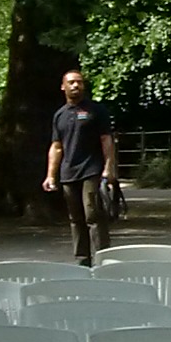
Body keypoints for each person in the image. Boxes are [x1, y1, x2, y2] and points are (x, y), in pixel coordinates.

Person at [42, 68, 118, 265]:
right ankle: (82, 261)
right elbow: (57, 146)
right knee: (75, 219)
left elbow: (106, 140)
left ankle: (103, 259)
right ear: (63, 87)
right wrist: (51, 175)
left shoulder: (96, 110)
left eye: (80, 82)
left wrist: (108, 168)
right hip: (68, 173)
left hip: (91, 170)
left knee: (93, 215)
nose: (76, 85)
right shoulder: (59, 115)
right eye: (72, 82)